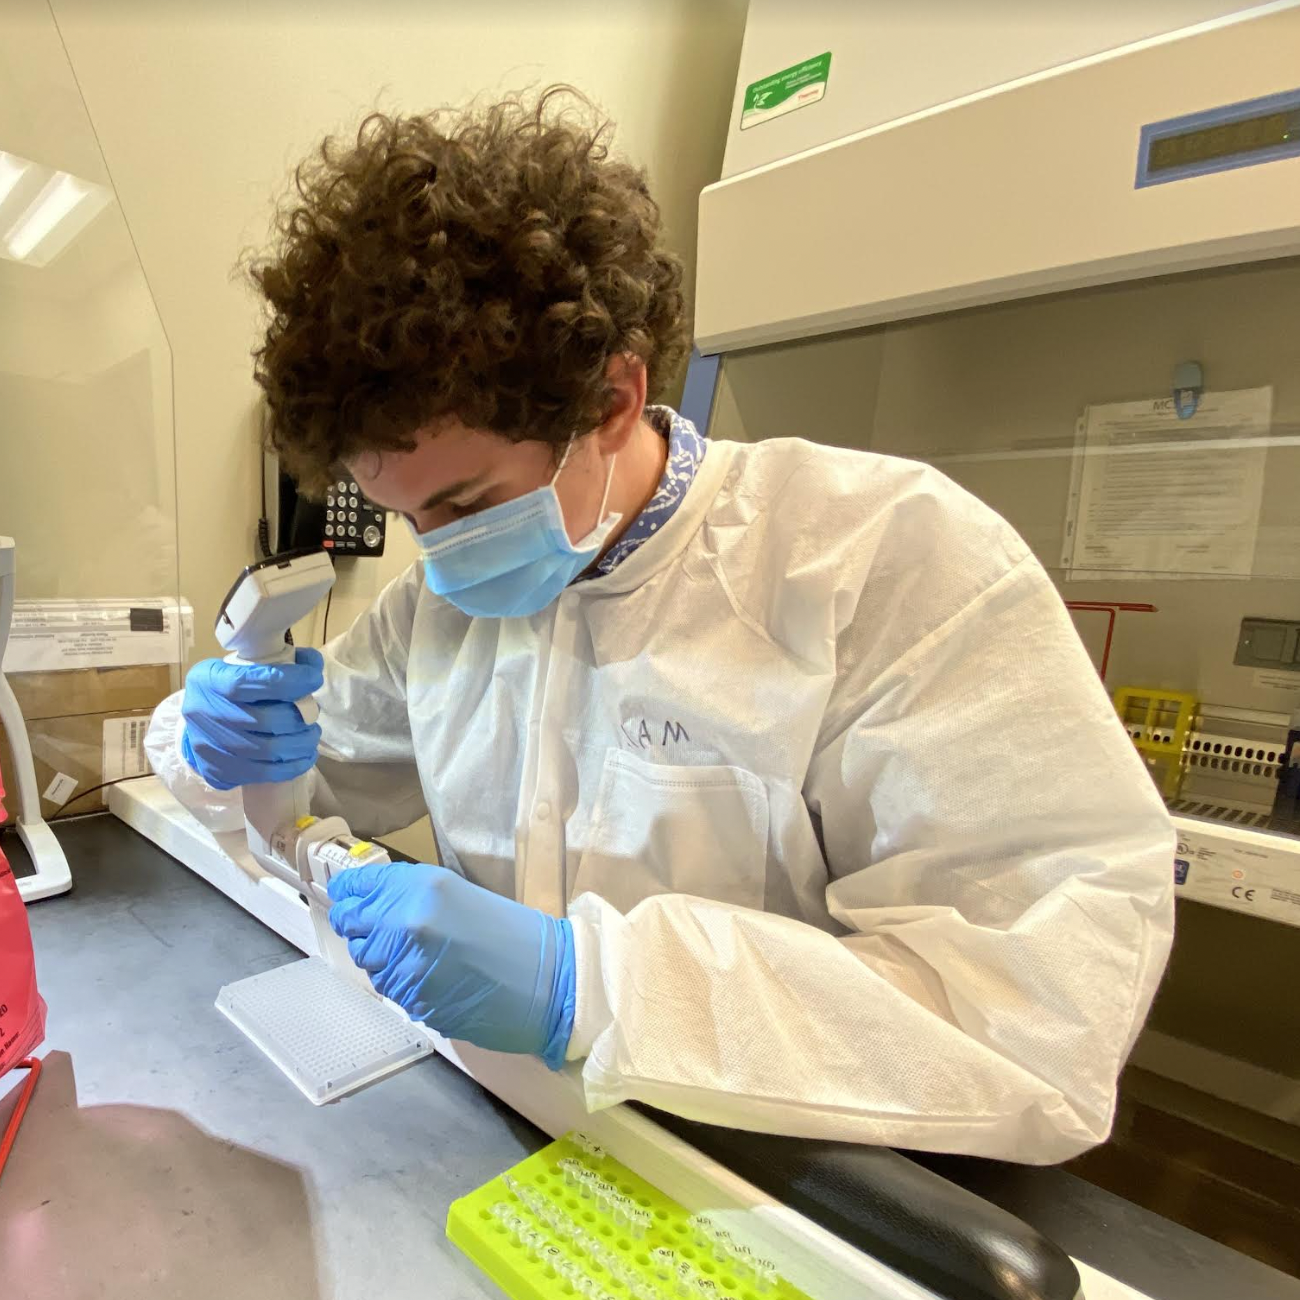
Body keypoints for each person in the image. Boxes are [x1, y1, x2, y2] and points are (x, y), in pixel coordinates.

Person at [147, 89, 1174, 1163]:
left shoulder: (883, 561)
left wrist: (592, 986)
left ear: (612, 400)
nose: (433, 554)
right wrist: (226, 743)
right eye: (406, 517)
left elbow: (1037, 1014)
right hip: (535, 1138)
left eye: (460, 505)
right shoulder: (435, 610)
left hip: (814, 1179)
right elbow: (298, 791)